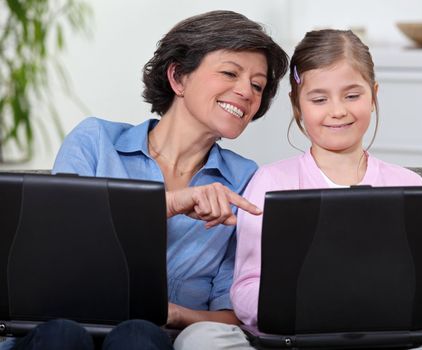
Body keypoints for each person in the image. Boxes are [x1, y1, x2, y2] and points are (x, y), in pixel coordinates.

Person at [173, 29, 422, 350]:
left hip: (385, 341)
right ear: (297, 105)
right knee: (200, 338)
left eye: (352, 95)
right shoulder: (271, 181)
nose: (338, 110)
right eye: (319, 99)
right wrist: (309, 306)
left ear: (373, 96)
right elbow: (245, 288)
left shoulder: (408, 185)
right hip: (295, 342)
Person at [0, 10, 288, 350]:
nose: (246, 92)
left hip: (156, 340)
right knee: (61, 334)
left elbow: (236, 314)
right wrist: (166, 205)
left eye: (257, 85)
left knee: (138, 336)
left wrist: (177, 313)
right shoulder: (96, 140)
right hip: (62, 327)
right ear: (178, 77)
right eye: (229, 73)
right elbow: (57, 248)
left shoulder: (244, 180)